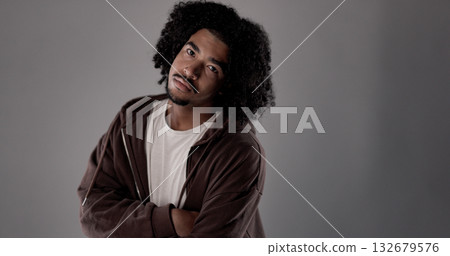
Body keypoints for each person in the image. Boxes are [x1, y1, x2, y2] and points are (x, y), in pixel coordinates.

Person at [77, 1, 275, 237]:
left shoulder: (239, 152)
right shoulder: (133, 116)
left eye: (212, 68)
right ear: (176, 47)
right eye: (190, 52)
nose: (191, 71)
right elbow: (93, 211)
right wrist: (171, 221)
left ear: (227, 85)